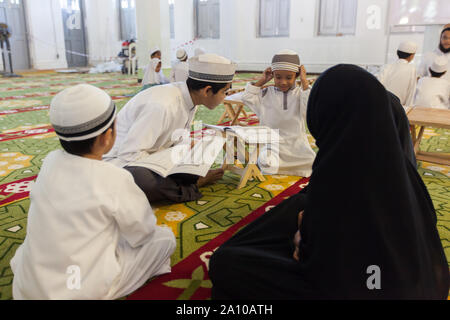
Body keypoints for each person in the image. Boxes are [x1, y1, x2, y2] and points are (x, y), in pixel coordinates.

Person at [208, 64, 449, 300]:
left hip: (361, 288)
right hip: (422, 285)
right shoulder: (402, 168)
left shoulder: (338, 169)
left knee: (226, 263)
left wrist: (302, 238)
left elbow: (317, 262)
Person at [10, 84, 176, 300]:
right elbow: (142, 233)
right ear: (107, 136)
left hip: (29, 286)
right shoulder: (114, 177)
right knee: (164, 239)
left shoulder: (49, 162)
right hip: (80, 289)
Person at [103, 54, 237, 203]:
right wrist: (168, 160)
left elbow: (178, 136)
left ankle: (188, 179)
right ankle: (195, 184)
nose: (225, 97)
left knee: (198, 152)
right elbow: (129, 154)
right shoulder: (162, 105)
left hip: (154, 153)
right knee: (147, 182)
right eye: (224, 92)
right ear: (206, 91)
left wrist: (186, 148)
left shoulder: (190, 99)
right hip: (121, 162)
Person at [240, 49, 316, 177]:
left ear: (296, 75)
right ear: (273, 75)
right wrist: (262, 80)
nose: (283, 82)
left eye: (289, 77)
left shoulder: (300, 94)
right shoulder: (265, 93)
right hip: (271, 145)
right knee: (266, 163)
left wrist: (304, 82)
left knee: (314, 163)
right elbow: (246, 97)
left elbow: (308, 110)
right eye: (278, 77)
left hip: (296, 146)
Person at [377, 41, 418, 108]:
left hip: (383, 104)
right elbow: (411, 93)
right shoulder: (412, 69)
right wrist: (408, 108)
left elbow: (379, 86)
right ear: (412, 56)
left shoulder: (387, 66)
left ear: (397, 53)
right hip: (400, 107)